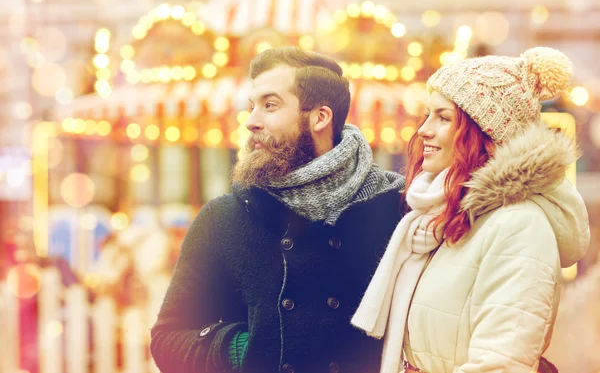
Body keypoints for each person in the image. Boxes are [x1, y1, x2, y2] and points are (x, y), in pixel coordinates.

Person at [150, 47, 405, 373]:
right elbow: (168, 339)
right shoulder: (224, 218)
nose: (251, 122)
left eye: (269, 106)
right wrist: (241, 349)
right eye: (251, 107)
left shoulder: (395, 208)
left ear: (320, 117)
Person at [351, 47, 590, 373]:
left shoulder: (519, 227)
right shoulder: (439, 217)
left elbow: (500, 365)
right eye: (427, 114)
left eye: (444, 117)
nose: (424, 130)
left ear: (485, 133)